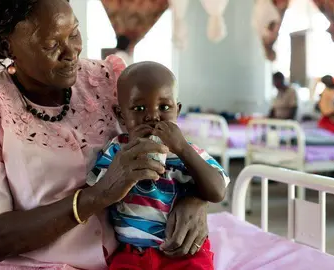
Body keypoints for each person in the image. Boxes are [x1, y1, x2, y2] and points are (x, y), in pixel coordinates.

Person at [0, 0, 209, 269]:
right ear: (7, 47)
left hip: (134, 258)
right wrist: (98, 195)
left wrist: (195, 197)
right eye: (52, 44)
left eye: (74, 33)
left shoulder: (109, 80)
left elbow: (170, 148)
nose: (72, 52)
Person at [88, 62, 229, 270]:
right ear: (121, 115)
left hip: (184, 253)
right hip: (132, 253)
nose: (152, 116)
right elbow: (97, 195)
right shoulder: (117, 151)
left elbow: (217, 192)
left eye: (164, 107)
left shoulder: (186, 152)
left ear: (177, 110)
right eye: (138, 108)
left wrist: (182, 149)